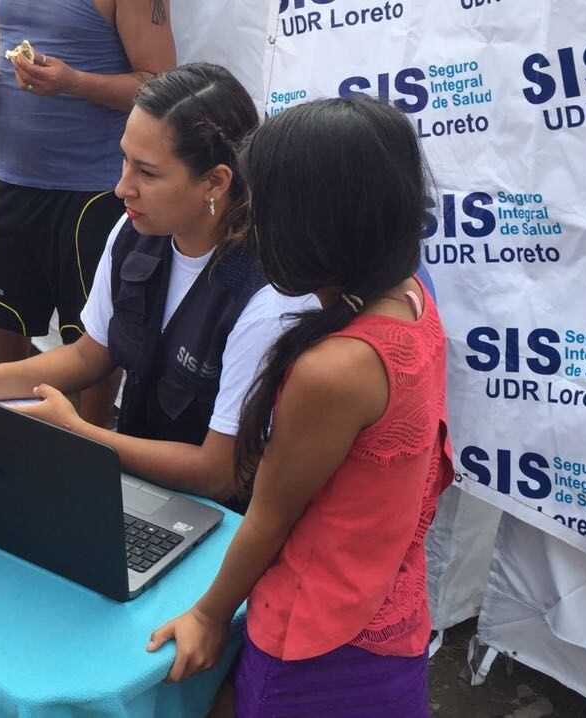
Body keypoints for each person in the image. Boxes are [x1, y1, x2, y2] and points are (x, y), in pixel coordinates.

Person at [146, 96, 453, 717]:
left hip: (312, 644)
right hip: (388, 611)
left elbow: (269, 517)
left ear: (315, 224)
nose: (251, 229)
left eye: (264, 211)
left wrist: (209, 615)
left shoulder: (334, 369)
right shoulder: (412, 300)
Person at [0, 64, 313, 508]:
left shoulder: (267, 298)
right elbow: (90, 353)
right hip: (140, 492)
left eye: (148, 173)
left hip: (222, 518)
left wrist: (79, 434)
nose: (122, 187)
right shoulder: (133, 231)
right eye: (125, 159)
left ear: (215, 182)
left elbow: (219, 473)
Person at [0, 0, 176, 426]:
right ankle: (17, 421)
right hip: (14, 176)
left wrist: (74, 82)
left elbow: (162, 85)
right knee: (4, 311)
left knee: (92, 333)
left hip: (93, 190)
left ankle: (90, 437)